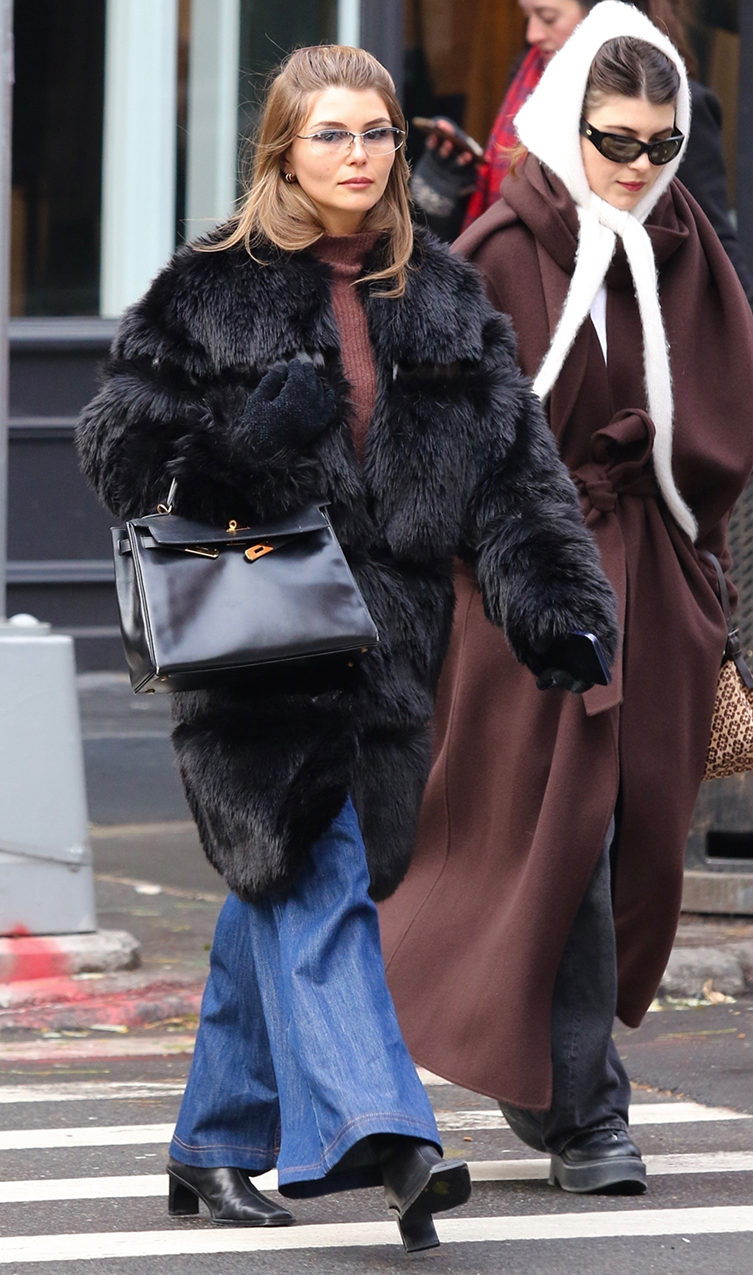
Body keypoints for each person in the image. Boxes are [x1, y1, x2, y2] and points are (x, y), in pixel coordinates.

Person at [76, 43, 618, 1250]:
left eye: (375, 133)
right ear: (282, 148)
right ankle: (391, 1135)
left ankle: (210, 1145)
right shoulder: (207, 287)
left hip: (392, 652)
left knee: (279, 882)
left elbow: (515, 480)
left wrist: (557, 615)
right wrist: (241, 446)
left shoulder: (441, 297)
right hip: (256, 641)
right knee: (316, 884)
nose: (359, 158)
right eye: (330, 135)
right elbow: (119, 455)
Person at [382, 1, 753, 1196]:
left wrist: (705, 589)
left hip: (654, 575)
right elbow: (440, 445)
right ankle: (592, 1113)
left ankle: (545, 1080)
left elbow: (723, 432)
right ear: (564, 121)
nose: (637, 169)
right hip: (523, 593)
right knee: (565, 837)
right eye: (615, 140)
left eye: (661, 145)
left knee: (636, 839)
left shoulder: (689, 249)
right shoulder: (499, 248)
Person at [411, 0, 753, 303]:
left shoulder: (675, 107)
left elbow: (716, 248)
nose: (531, 34)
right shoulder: (529, 83)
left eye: (547, 17)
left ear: (600, 15)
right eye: (619, 141)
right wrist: (441, 193)